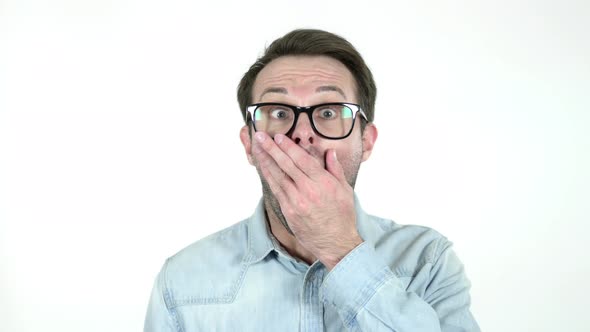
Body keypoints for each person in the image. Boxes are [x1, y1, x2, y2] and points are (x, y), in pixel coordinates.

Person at [144, 29, 480, 332]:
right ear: (249, 144)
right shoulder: (183, 279)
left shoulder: (427, 260)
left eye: (329, 112)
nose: (303, 133)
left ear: (367, 141)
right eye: (278, 112)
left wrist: (341, 249)